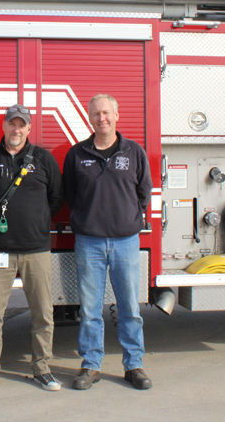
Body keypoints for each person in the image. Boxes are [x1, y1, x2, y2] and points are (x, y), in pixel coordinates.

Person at [0, 104, 64, 393]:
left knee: (42, 313)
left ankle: (42, 369)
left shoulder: (44, 159)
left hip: (37, 250)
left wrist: (34, 222)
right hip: (0, 251)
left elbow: (56, 199)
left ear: (29, 128)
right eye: (12, 123)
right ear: (4, 126)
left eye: (22, 125)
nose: (16, 129)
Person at [62, 94, 153, 391]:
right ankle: (91, 365)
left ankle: (134, 365)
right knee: (89, 309)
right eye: (96, 114)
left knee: (129, 308)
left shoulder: (134, 152)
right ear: (89, 118)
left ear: (117, 115)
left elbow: (144, 192)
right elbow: (71, 195)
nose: (101, 118)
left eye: (106, 113)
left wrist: (127, 218)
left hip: (126, 241)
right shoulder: (77, 154)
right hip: (89, 242)